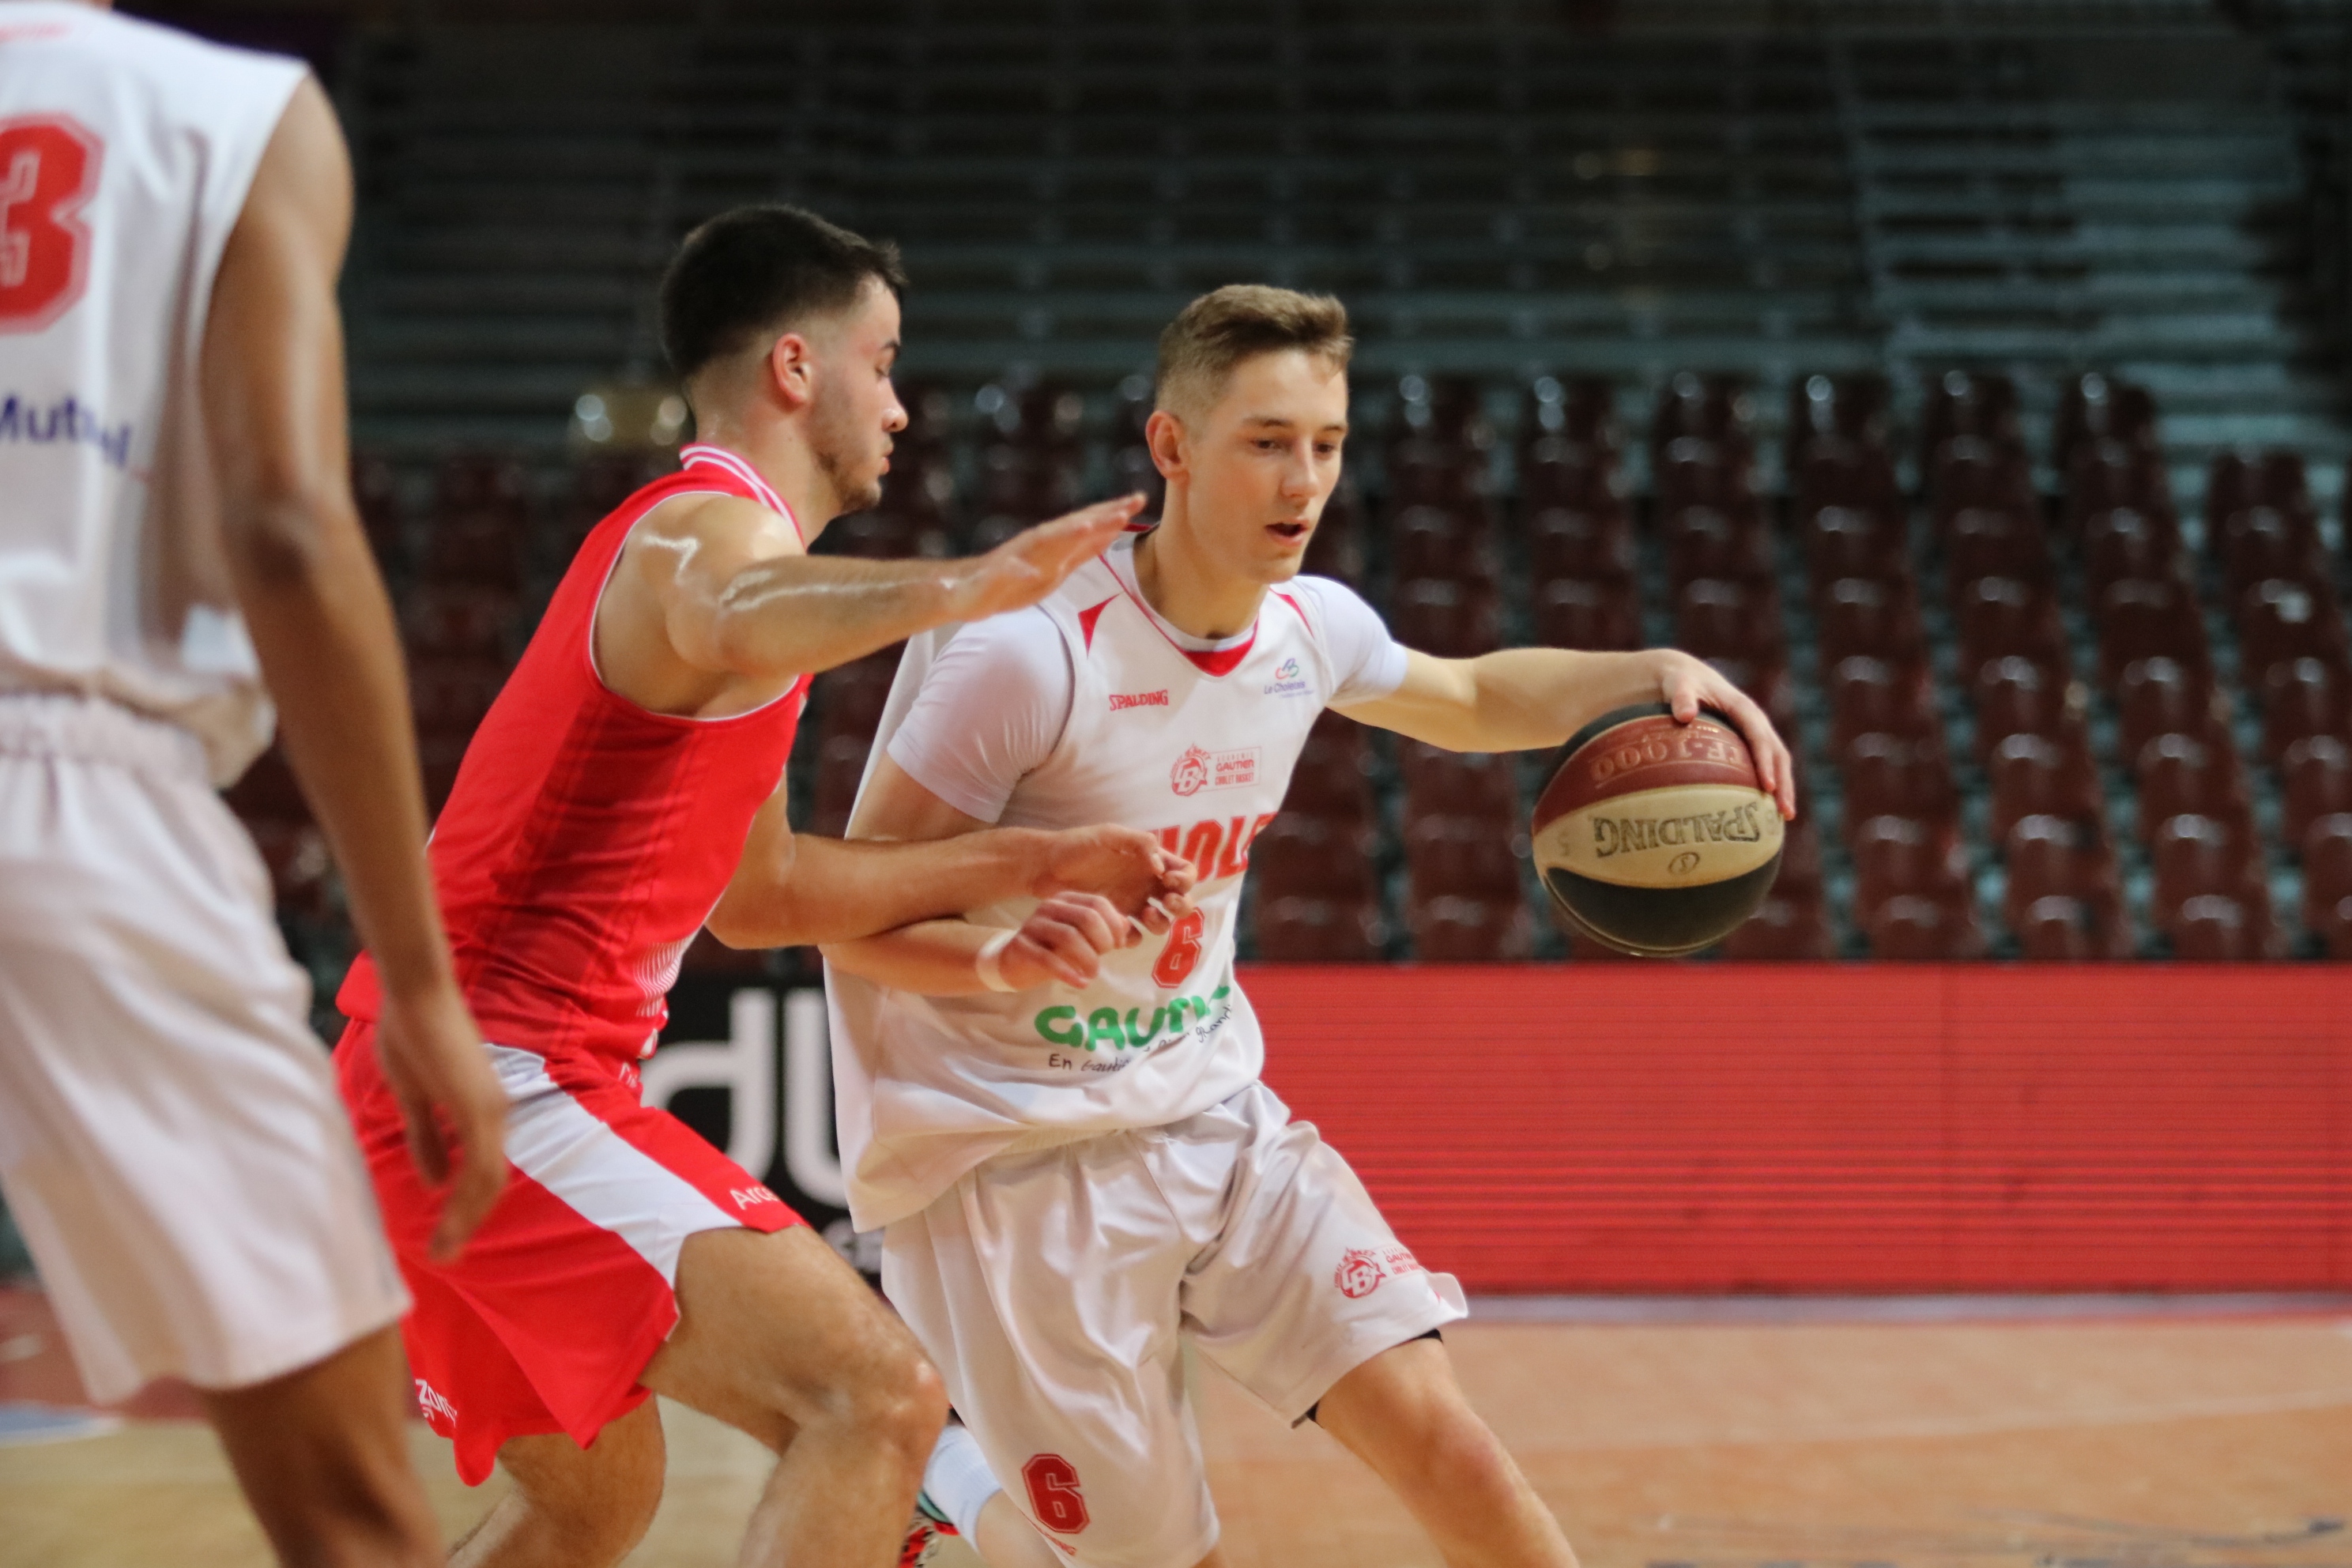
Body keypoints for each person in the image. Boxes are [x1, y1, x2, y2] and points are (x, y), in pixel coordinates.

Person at [825, 284, 1800, 1568]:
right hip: (1017, 1163)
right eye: (1268, 441)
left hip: (1215, 1117)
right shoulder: (1026, 660)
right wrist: (1002, 952)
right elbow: (846, 912)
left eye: (1328, 445)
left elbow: (1463, 696)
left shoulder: (1308, 626)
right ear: (1172, 447)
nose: (1306, 481)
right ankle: (951, 1475)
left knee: (1450, 1444)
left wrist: (1648, 675)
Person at [328, 202, 1197, 1568]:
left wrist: (1029, 865)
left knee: (590, 1508)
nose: (901, 409)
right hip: (497, 1079)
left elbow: (765, 896)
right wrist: (965, 588)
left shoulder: (735, 579)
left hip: (440, 1085)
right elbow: (734, 611)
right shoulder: (702, 536)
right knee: (876, 1397)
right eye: (885, 361)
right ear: (799, 368)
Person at [0, 5, 510, 1565]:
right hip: (69, 796)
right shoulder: (229, 111)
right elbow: (287, 525)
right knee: (353, 1515)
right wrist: (416, 977)